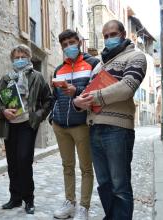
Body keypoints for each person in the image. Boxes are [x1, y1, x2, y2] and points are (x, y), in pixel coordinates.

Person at [73, 20, 147, 220]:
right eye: (105, 36)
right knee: (104, 183)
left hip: (118, 130)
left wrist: (93, 97)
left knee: (119, 184)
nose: (108, 39)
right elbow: (88, 92)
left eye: (112, 34)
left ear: (123, 34)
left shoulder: (136, 57)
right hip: (94, 129)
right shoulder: (99, 66)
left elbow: (127, 86)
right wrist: (78, 101)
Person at [0, 44, 52, 215]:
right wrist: (3, 111)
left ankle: (29, 199)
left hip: (27, 124)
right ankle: (15, 198)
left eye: (23, 56)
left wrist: (37, 116)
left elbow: (48, 100)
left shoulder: (37, 77)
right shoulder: (6, 78)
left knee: (24, 160)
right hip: (9, 124)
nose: (19, 60)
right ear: (12, 59)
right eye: (16, 57)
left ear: (28, 57)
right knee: (12, 162)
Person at [50, 30, 99, 220]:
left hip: (83, 124)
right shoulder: (58, 70)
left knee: (86, 168)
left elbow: (97, 90)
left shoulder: (93, 64)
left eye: (72, 42)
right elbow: (54, 97)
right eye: (64, 45)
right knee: (67, 166)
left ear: (79, 42)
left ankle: (84, 207)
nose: (69, 47)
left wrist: (76, 90)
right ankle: (69, 202)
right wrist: (52, 118)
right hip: (60, 125)